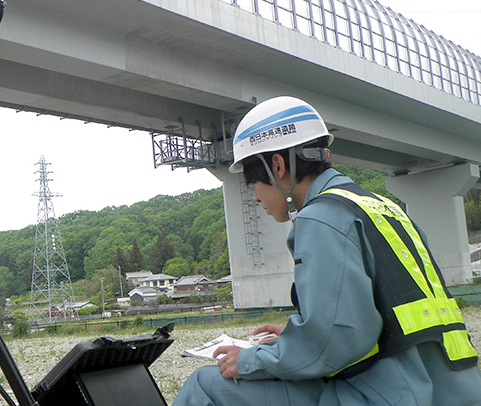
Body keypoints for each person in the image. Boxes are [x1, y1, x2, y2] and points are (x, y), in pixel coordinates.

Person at [172, 96, 481, 406]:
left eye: (253, 182)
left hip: (386, 394)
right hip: (452, 389)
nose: (254, 197)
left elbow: (335, 344)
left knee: (205, 385)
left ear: (278, 166)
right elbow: (376, 320)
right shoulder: (387, 209)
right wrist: (296, 339)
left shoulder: (319, 219)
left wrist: (251, 360)